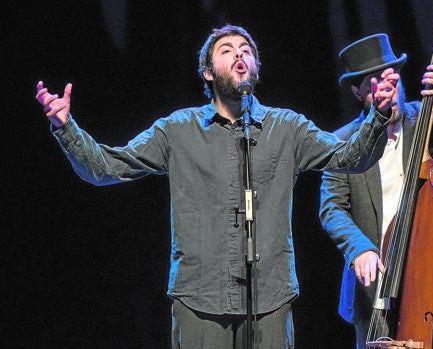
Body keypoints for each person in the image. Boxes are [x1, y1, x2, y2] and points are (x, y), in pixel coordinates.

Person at [35, 25, 401, 349]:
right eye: (227, 50)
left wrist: (378, 114)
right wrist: (66, 127)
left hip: (269, 300)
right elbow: (107, 167)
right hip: (199, 300)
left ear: (256, 68)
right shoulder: (177, 130)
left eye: (246, 50)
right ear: (208, 73)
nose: (239, 54)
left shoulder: (287, 127)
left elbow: (351, 158)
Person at [319, 33, 433, 348]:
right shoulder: (341, 142)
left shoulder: (429, 117)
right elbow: (332, 208)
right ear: (357, 92)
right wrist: (359, 248)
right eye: (373, 86)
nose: (386, 93)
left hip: (432, 278)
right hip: (375, 288)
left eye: (389, 81)